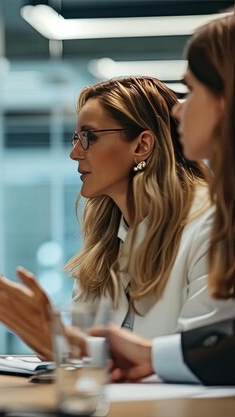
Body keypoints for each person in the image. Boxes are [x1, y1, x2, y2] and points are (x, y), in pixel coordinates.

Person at [0, 76, 235, 360]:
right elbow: (91, 358)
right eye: (76, 138)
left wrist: (60, 341)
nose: (74, 153)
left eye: (89, 137)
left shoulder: (215, 223)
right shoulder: (107, 239)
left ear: (141, 146)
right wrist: (53, 339)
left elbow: (203, 359)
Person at [90, 11, 235, 386]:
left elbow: (213, 356)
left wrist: (151, 357)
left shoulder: (214, 216)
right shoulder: (111, 229)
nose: (178, 109)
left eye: (191, 90)